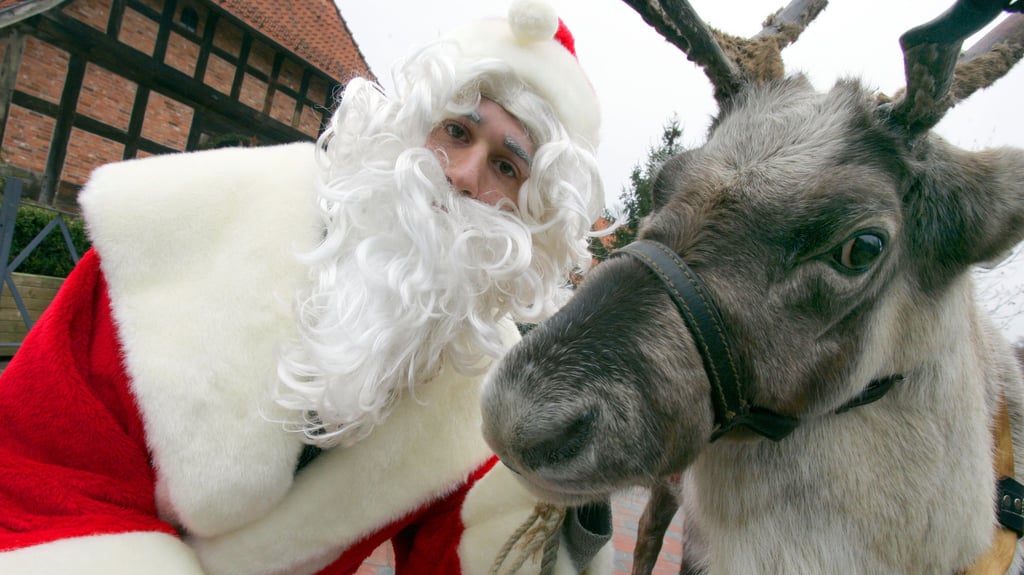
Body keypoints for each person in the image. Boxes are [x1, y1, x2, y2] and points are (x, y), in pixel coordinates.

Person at [0, 1, 613, 573]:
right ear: (409, 126)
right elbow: (33, 464)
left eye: (505, 166)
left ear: (529, 216)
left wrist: (573, 491)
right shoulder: (186, 225)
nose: (460, 175)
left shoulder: (481, 385)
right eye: (455, 131)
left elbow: (484, 554)